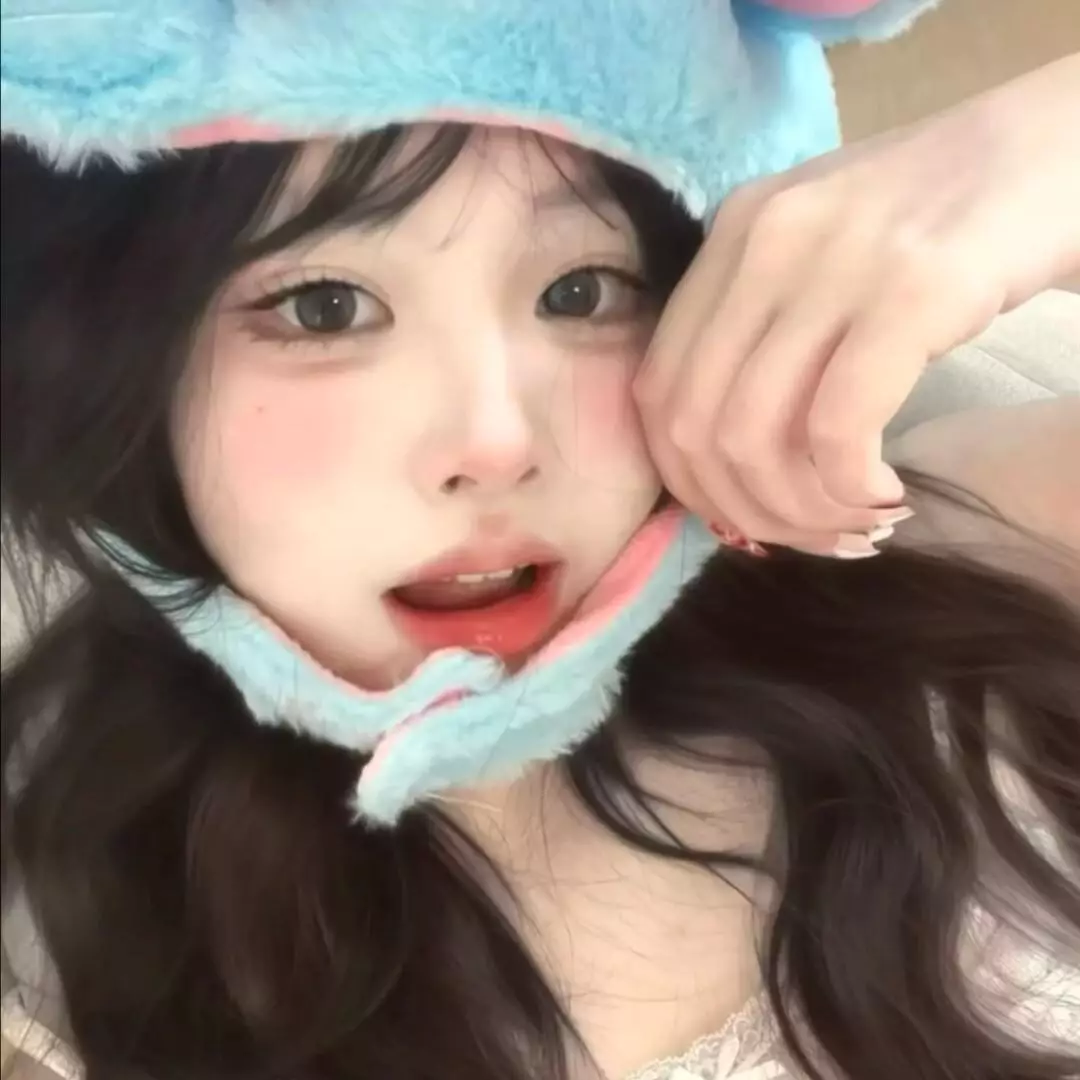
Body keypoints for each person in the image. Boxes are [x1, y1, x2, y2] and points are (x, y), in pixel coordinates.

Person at [0, 3, 1077, 1079]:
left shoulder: (949, 582)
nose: (495, 445)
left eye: (581, 291)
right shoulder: (65, 905)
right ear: (113, 359)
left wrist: (1022, 157)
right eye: (325, 307)